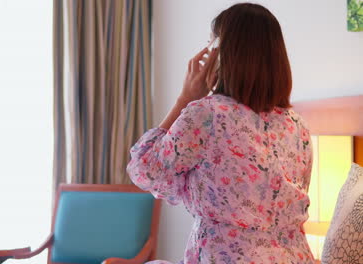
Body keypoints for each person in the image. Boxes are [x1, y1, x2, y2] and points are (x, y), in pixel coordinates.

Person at [126, 3, 315, 264]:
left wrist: (184, 98)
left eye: (213, 44)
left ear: (224, 55)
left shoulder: (207, 115)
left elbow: (145, 169)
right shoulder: (298, 126)